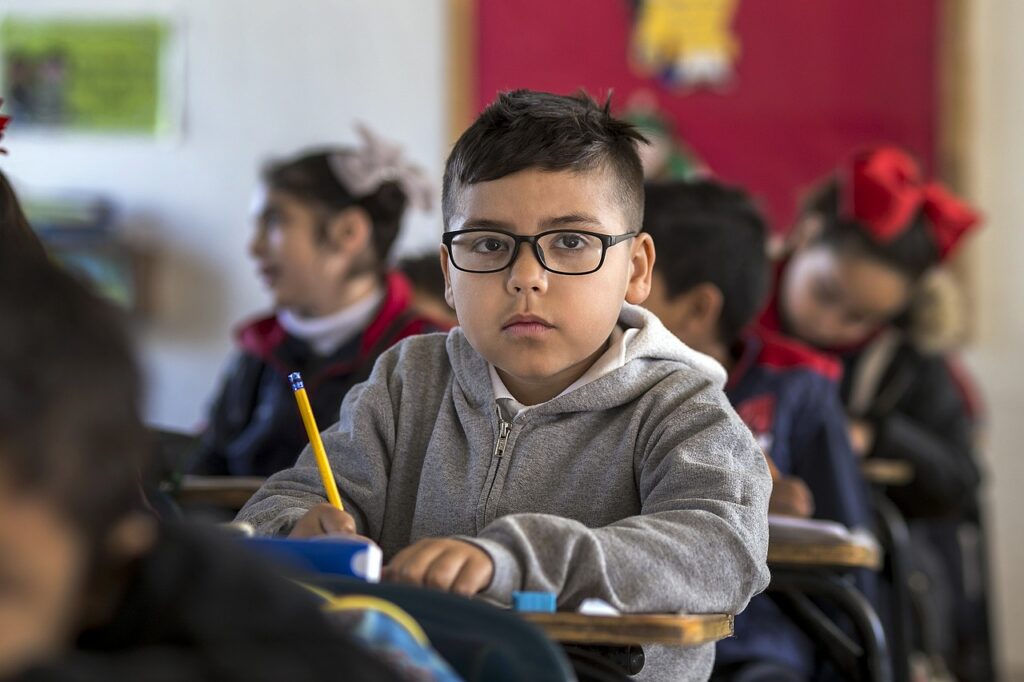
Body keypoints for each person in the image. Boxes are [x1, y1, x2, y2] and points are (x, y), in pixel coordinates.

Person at [237, 90, 772, 682]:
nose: (525, 278)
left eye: (571, 242)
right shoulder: (407, 380)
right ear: (447, 273)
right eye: (489, 244)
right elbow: (277, 504)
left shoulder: (682, 408)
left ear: (637, 270)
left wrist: (513, 559)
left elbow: (720, 549)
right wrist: (302, 525)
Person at [0, 255, 401, 681]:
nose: (257, 246)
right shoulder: (259, 348)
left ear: (102, 578)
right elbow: (222, 462)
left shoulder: (253, 644)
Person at [759, 146, 992, 679]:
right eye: (825, 294)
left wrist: (875, 434)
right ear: (805, 235)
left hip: (839, 583)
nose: (833, 323)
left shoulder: (902, 361)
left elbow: (960, 480)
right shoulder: (729, 319)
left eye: (861, 317)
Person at [642, 179, 874, 681]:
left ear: (699, 308)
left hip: (755, 643)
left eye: (636, 278)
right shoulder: (601, 385)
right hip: (631, 636)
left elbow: (847, 551)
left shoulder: (798, 387)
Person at [190, 126, 448, 477]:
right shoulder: (258, 349)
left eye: (275, 221)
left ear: (348, 233)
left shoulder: (428, 355)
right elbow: (204, 472)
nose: (254, 247)